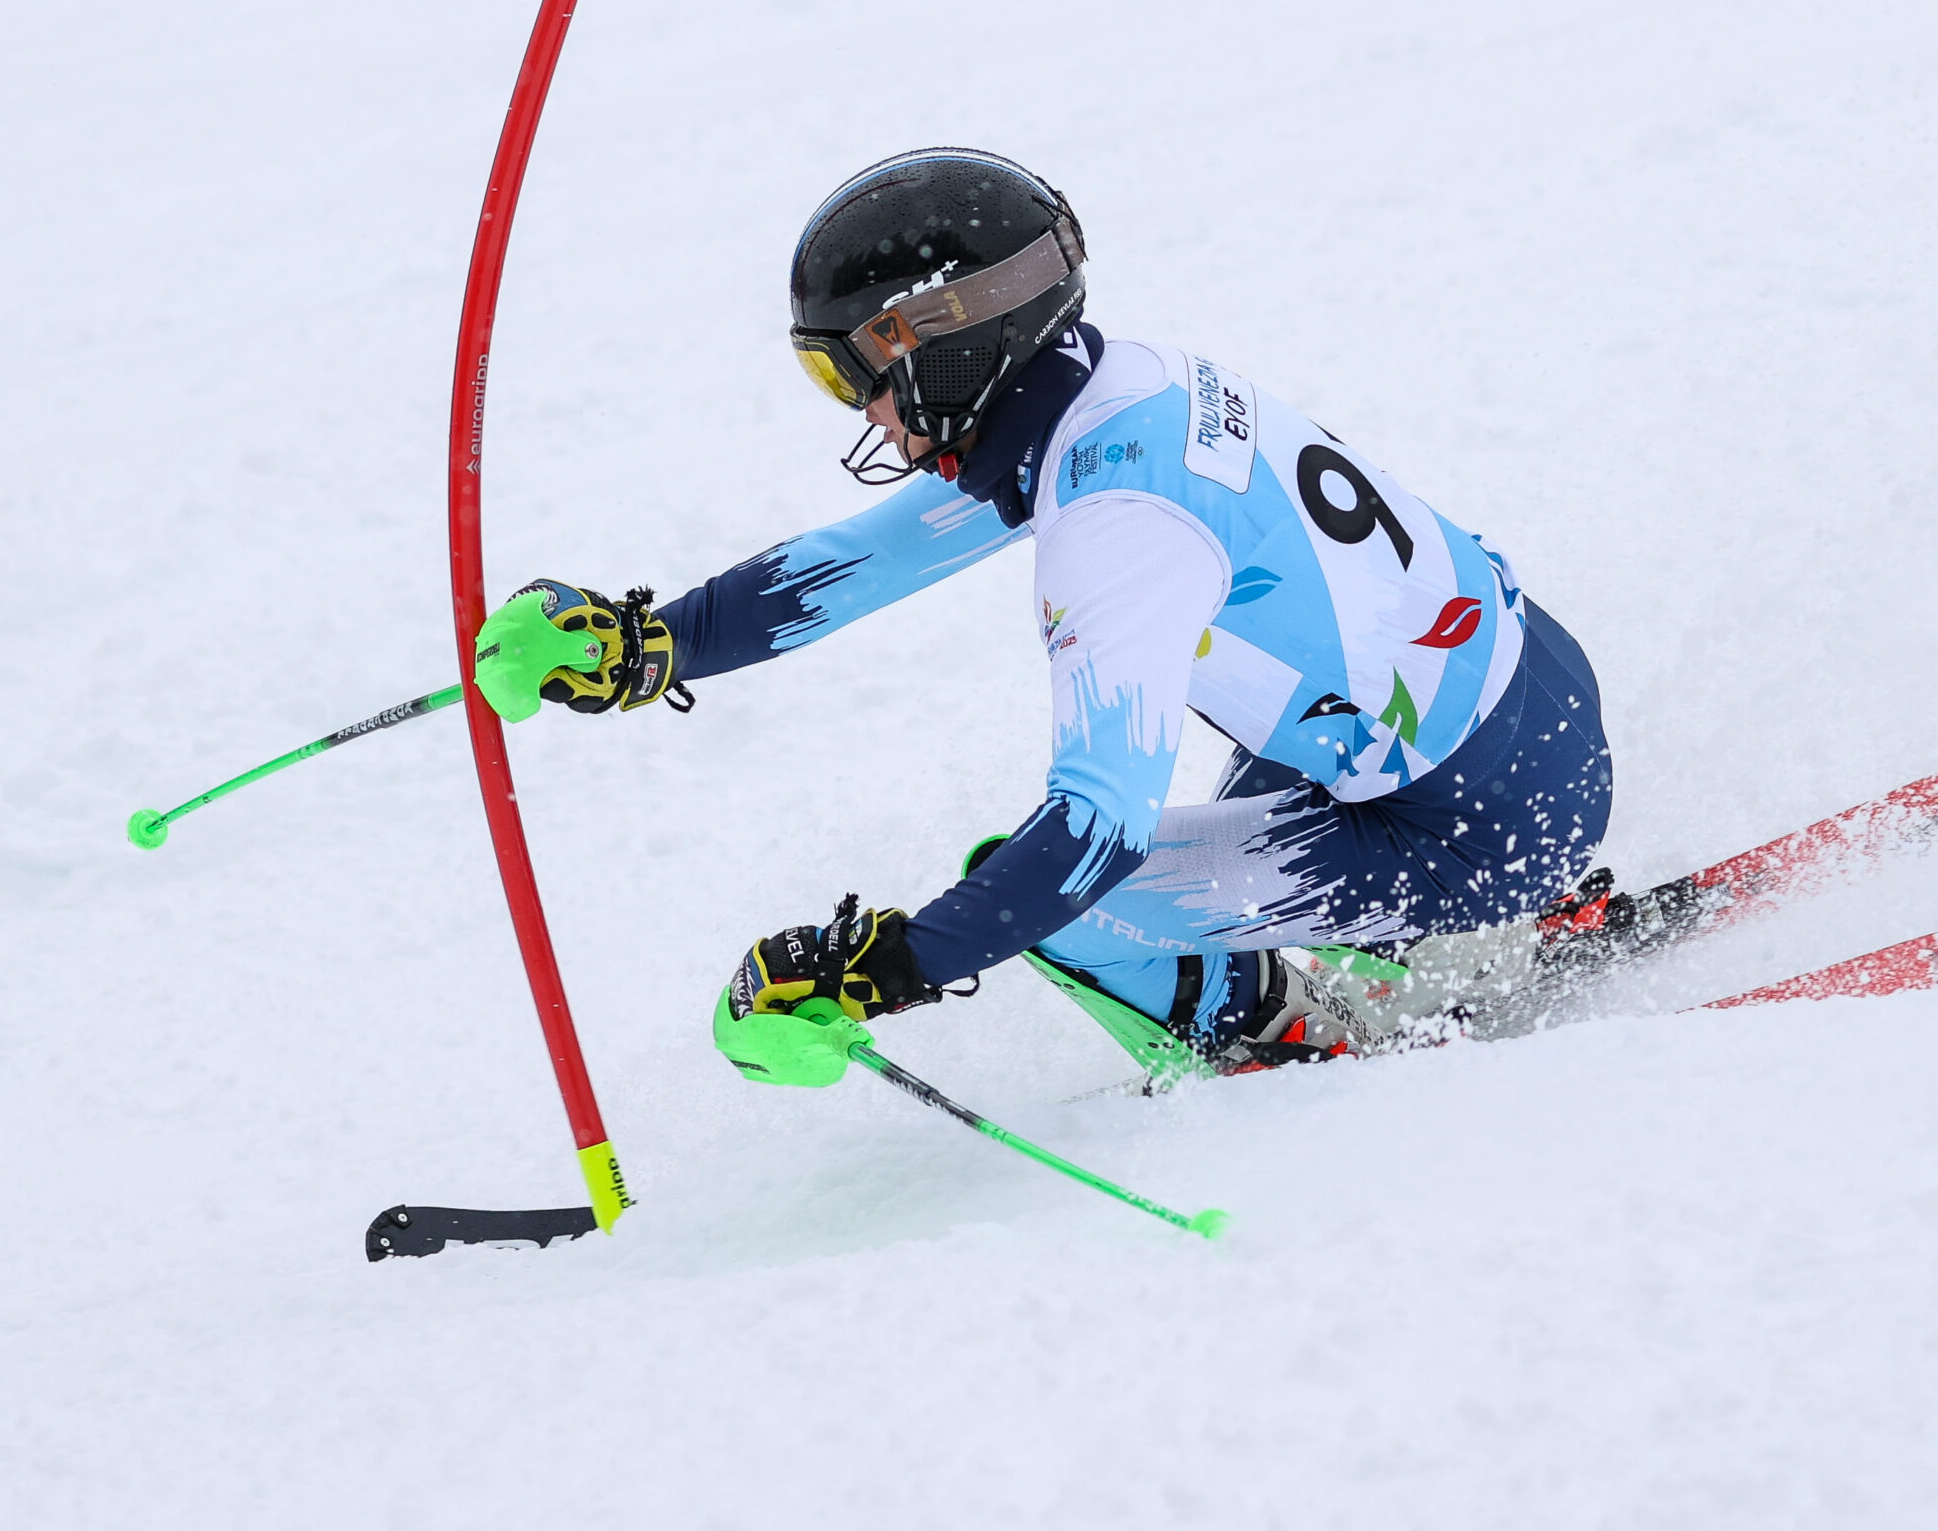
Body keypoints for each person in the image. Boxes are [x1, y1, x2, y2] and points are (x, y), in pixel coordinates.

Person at [471, 149, 1611, 1086]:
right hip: (1532, 704)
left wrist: (884, 970)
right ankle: (1461, 926)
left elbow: (1094, 834)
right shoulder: (1119, 388)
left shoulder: (1117, 522)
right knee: (1239, 765)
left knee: (1075, 913)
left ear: (938, 349)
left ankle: (1297, 1040)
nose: (862, 410)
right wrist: (653, 642)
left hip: (1468, 827)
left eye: (849, 376)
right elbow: (866, 557)